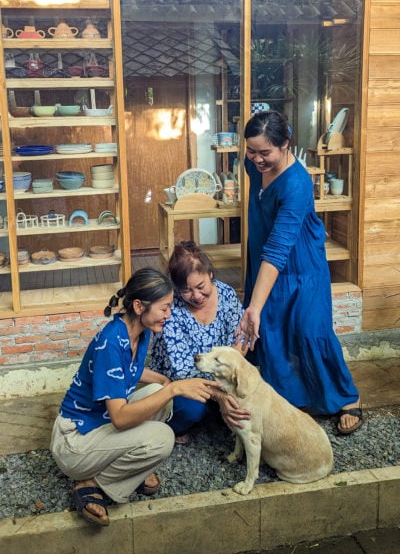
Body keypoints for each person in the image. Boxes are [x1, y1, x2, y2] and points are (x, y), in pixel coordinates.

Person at [50, 268, 219, 526]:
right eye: (164, 308)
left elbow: (132, 369)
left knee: (159, 395)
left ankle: (119, 471)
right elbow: (119, 418)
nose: (168, 314)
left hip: (97, 427)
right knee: (163, 438)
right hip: (74, 443)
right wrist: (174, 388)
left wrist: (164, 382)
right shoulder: (111, 341)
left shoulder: (140, 332)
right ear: (139, 306)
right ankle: (92, 482)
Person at [236, 110, 363, 435]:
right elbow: (270, 246)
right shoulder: (253, 164)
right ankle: (286, 402)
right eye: (252, 150)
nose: (257, 159)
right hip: (265, 264)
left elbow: (280, 247)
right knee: (274, 334)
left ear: (286, 145)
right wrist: (257, 305)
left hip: (301, 266)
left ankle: (346, 397)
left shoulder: (297, 184)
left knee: (310, 330)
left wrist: (253, 307)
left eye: (266, 152)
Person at [150, 242, 250, 443]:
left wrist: (228, 380)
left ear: (210, 275)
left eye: (200, 286)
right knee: (191, 410)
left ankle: (212, 414)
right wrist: (220, 395)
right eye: (186, 290)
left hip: (220, 376)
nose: (196, 296)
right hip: (183, 382)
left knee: (248, 399)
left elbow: (241, 340)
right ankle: (169, 425)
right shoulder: (171, 310)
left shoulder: (227, 295)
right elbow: (182, 371)